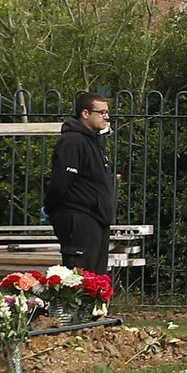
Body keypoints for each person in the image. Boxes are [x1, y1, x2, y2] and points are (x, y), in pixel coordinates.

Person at [43, 91, 115, 272]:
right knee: (81, 277)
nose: (106, 117)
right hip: (79, 218)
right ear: (85, 113)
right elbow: (61, 182)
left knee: (97, 278)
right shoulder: (73, 141)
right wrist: (50, 208)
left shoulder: (93, 140)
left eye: (107, 112)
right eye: (102, 112)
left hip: (97, 218)